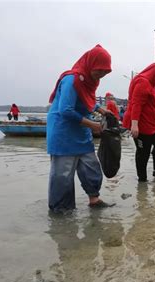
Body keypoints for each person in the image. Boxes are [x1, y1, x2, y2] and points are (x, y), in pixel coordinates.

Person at [47, 44, 113, 214]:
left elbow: (86, 99)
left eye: (105, 73)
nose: (101, 75)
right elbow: (66, 110)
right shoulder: (71, 79)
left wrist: (100, 109)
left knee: (90, 165)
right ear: (90, 64)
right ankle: (61, 212)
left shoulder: (90, 82)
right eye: (99, 71)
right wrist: (92, 125)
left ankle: (94, 199)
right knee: (63, 174)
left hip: (81, 128)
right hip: (63, 130)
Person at [122, 63, 155, 182]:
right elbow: (137, 104)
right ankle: (142, 180)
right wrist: (134, 125)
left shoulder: (151, 85)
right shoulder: (142, 82)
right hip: (141, 125)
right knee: (143, 152)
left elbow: (151, 104)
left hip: (153, 125)